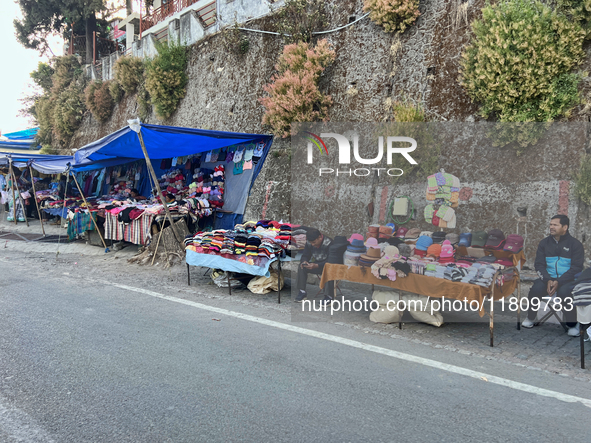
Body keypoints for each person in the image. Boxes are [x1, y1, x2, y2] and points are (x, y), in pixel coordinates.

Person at [522, 215, 584, 336]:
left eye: (555, 225)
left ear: (565, 227)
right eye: (550, 224)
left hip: (568, 280)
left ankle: (572, 324)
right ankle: (530, 317)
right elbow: (539, 265)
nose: (551, 227)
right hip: (547, 278)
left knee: (565, 293)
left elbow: (576, 268)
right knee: (535, 289)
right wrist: (548, 279)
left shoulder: (575, 244)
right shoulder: (544, 243)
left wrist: (559, 281)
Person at [295, 228, 333, 303]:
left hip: (327, 265)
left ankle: (329, 296)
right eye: (310, 242)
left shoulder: (329, 243)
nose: (312, 244)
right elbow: (305, 255)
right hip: (316, 264)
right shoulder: (309, 242)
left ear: (319, 237)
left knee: (329, 269)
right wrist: (304, 261)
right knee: (302, 266)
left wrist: (317, 265)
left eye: (314, 242)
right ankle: (302, 292)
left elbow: (331, 261)